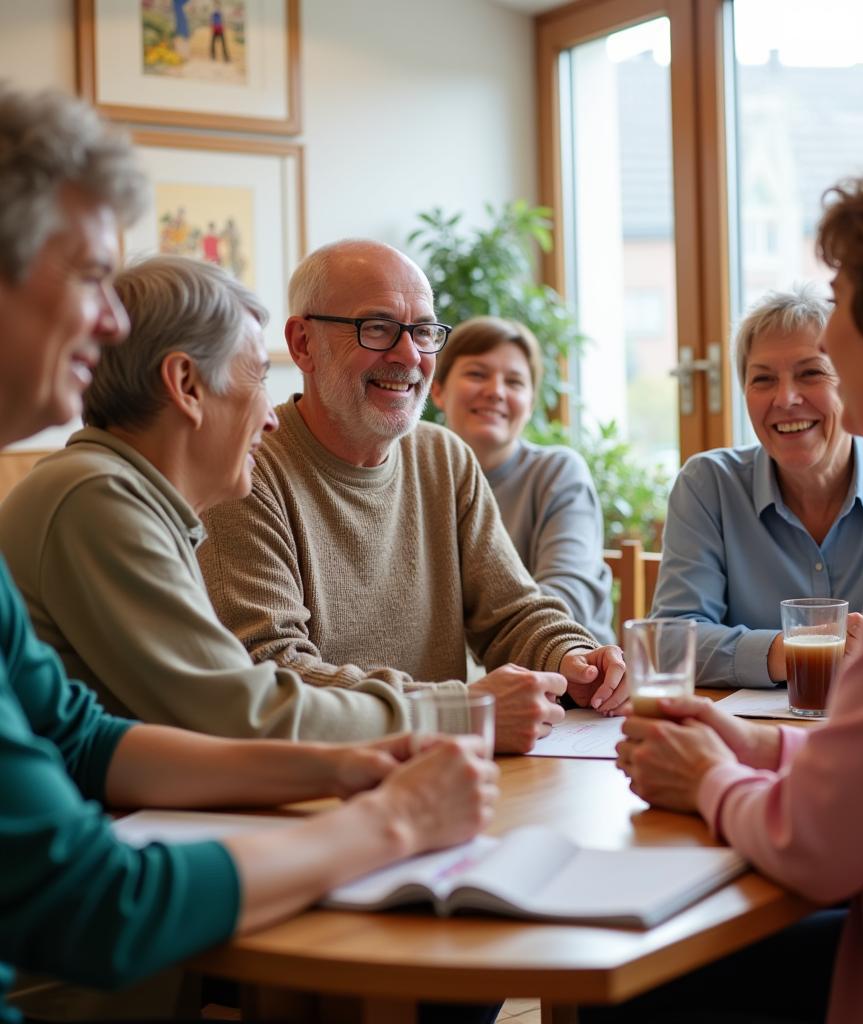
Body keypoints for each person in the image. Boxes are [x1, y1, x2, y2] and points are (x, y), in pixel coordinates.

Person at [0, 83, 498, 1024]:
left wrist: (347, 765)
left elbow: (81, 737)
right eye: (87, 276)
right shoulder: (90, 498)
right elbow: (225, 718)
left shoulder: (120, 499)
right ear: (186, 386)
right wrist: (391, 809)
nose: (108, 320)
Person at [608, 144, 863, 1023]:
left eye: (839, 307)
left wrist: (709, 780)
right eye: (766, 374)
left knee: (636, 976)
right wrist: (751, 745)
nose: (825, 342)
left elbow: (825, 844)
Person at [0, 254, 465, 741]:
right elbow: (245, 709)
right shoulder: (97, 498)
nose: (270, 416)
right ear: (186, 386)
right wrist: (455, 714)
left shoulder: (132, 498)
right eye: (258, 377)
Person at [198, 241, 628, 753]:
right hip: (318, 781)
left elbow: (512, 614)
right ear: (303, 343)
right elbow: (271, 669)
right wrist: (461, 710)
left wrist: (571, 659)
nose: (408, 356)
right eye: (376, 328)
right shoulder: (247, 467)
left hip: (444, 768)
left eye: (424, 331)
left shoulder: (444, 457)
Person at [650, 284, 863, 688]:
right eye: (763, 379)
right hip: (740, 740)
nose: (786, 398)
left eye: (811, 373)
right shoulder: (707, 484)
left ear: (851, 382)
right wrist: (802, 650)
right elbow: (671, 642)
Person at [431, 315, 614, 645]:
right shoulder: (416, 476)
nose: (496, 392)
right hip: (448, 686)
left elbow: (568, 601)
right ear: (438, 390)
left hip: (568, 678)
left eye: (515, 382)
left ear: (529, 404)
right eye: (476, 374)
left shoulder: (557, 474)